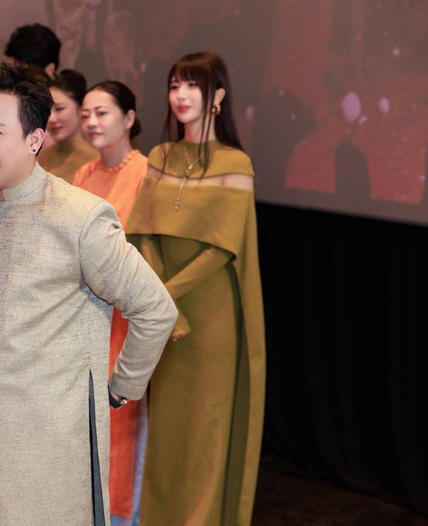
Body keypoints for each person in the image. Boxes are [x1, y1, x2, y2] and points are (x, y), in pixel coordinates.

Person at [0, 64, 177, 526]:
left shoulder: (79, 218)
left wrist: (120, 389)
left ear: (34, 139)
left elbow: (155, 308)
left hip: (47, 452)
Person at [124, 51, 266, 526]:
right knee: (167, 432)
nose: (181, 95)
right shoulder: (160, 156)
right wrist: (163, 306)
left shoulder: (236, 162)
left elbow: (221, 249)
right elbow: (144, 234)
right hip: (168, 320)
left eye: (192, 86)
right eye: (174, 85)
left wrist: (163, 301)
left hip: (210, 320)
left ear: (217, 95)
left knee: (206, 433)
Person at [73, 80, 148, 525]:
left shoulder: (147, 175)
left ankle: (121, 517)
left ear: (129, 118)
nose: (91, 122)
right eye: (85, 114)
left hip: (125, 318)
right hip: (84, 317)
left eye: (102, 113)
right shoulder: (83, 175)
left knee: (120, 423)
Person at [37, 69, 99, 183]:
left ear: (81, 108)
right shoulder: (43, 157)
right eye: (47, 111)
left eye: (59, 109)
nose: (51, 118)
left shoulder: (98, 159)